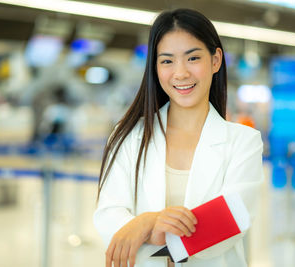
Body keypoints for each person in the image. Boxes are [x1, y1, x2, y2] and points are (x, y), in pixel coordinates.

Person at [94, 8, 264, 267]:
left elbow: (230, 221)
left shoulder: (244, 142)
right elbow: (108, 215)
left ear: (215, 60)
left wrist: (147, 227)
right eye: (167, 61)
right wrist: (149, 221)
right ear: (155, 67)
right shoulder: (127, 135)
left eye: (193, 58)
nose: (181, 73)